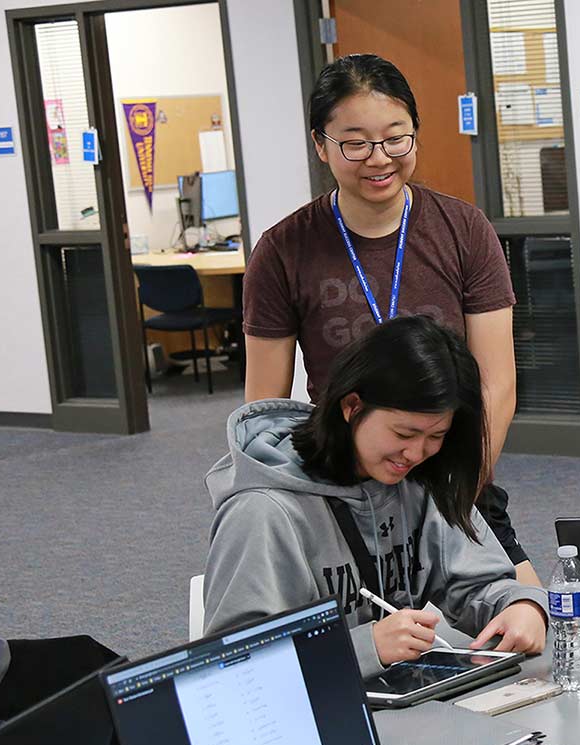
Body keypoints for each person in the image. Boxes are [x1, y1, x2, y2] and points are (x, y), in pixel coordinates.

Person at [238, 53, 538, 587]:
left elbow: (497, 382)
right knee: (361, 642)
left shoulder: (463, 230)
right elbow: (264, 411)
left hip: (450, 480)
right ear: (320, 145)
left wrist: (458, 478)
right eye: (355, 142)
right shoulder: (284, 250)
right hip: (343, 489)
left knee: (531, 627)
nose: (379, 158)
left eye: (396, 138)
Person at [202, 316, 547, 677]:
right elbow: (232, 666)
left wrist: (522, 605)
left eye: (436, 436)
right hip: (316, 718)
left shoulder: (417, 479)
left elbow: (478, 584)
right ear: (352, 407)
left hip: (404, 701)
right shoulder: (262, 511)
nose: (415, 453)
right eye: (404, 433)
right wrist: (366, 648)